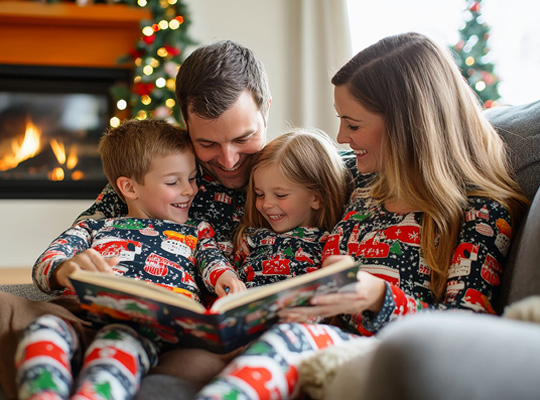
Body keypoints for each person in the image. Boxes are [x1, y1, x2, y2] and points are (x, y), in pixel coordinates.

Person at [191, 32, 530, 400]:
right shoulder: (363, 187)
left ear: (408, 125)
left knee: (285, 342)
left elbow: (467, 335)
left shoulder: (481, 213)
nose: (340, 136)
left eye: (353, 125)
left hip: (378, 356)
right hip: (313, 337)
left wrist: (377, 295)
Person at [0, 39, 272, 399]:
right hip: (92, 312)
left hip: (175, 329)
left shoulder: (291, 175)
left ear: (266, 110)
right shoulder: (160, 175)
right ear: (186, 126)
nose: (229, 159)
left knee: (131, 350)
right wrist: (70, 266)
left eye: (244, 137)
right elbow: (58, 256)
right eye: (207, 144)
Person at [15, 119, 234, 400]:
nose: (189, 190)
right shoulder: (94, 227)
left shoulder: (196, 230)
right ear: (129, 188)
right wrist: (64, 270)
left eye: (192, 178)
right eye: (173, 182)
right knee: (42, 329)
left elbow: (213, 260)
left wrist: (225, 277)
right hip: (81, 314)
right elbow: (44, 265)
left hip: (146, 324)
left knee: (117, 343)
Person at [203, 129, 351, 297]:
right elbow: (210, 250)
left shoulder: (330, 244)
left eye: (280, 195)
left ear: (317, 198)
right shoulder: (251, 237)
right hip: (247, 312)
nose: (266, 204)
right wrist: (224, 274)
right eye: (259, 194)